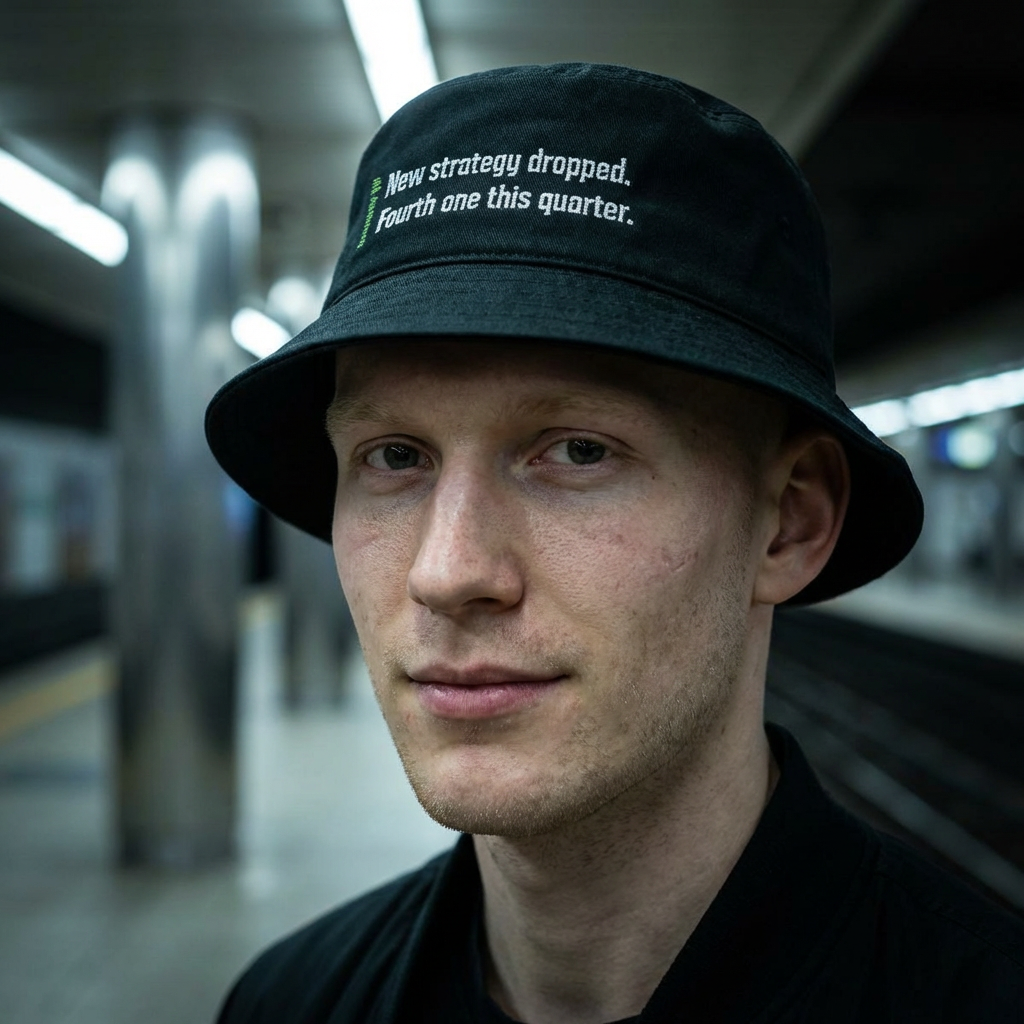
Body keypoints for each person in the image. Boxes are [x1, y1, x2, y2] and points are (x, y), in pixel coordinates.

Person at [205, 64, 1023, 1023]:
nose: (446, 571)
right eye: (394, 456)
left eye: (578, 451)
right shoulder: (289, 1002)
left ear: (789, 521)